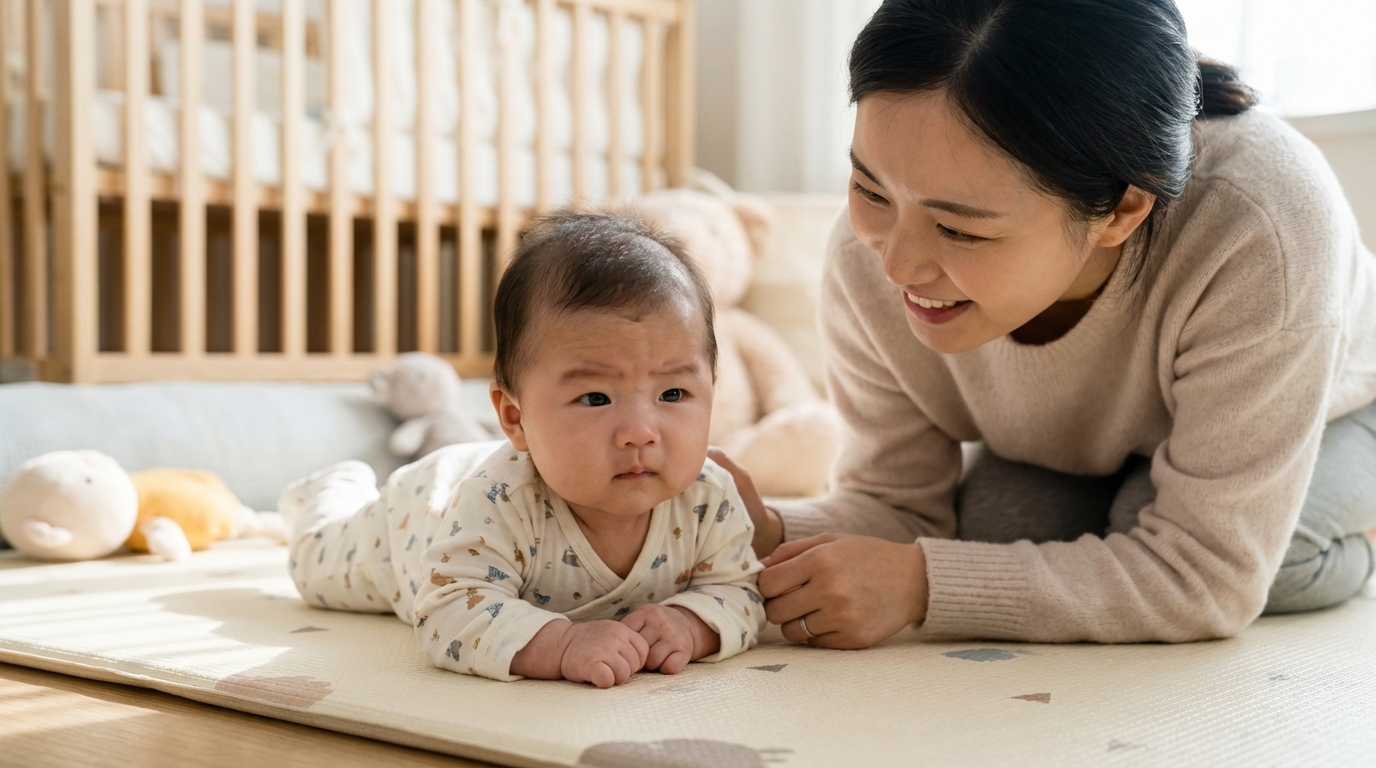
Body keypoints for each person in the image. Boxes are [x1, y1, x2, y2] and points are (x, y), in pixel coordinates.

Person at [719, 0, 1376, 649]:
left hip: (1335, 407)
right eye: (868, 189)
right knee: (998, 529)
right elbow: (900, 506)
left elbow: (1205, 575)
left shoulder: (1263, 229)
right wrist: (761, 531)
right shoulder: (864, 255)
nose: (895, 266)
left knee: (1267, 565)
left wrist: (922, 585)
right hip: (1086, 441)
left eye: (957, 228)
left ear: (1122, 209)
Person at [281, 212, 766, 688]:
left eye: (673, 395)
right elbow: (449, 612)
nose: (640, 432)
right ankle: (332, 491)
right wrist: (561, 645)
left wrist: (690, 623)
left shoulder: (709, 497)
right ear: (515, 418)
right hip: (420, 515)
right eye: (595, 397)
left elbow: (740, 591)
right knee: (314, 567)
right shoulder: (502, 500)